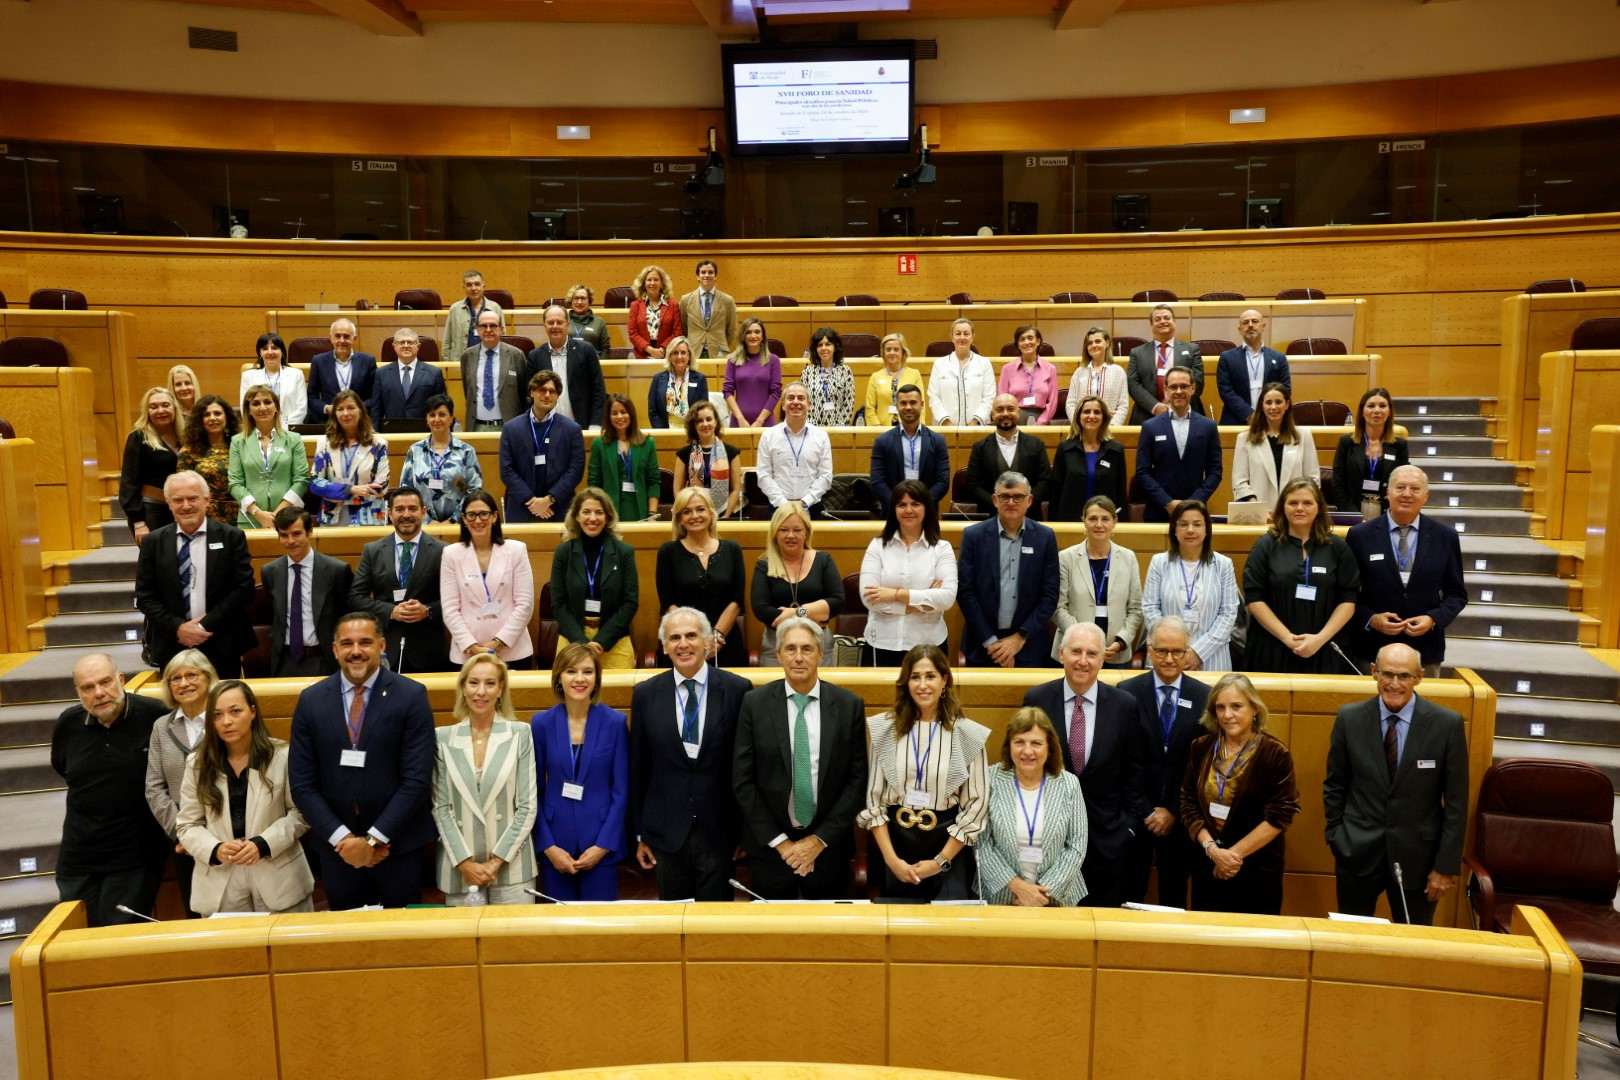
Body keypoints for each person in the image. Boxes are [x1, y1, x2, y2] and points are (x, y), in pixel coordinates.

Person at [288, 610, 437, 909]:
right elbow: (302, 784)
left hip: (398, 847)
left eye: (365, 642)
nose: (356, 651)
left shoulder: (411, 696)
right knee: (347, 945)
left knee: (404, 941)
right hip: (337, 850)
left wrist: (372, 842)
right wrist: (345, 841)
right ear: (334, 649)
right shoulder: (311, 700)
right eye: (347, 643)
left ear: (382, 646)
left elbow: (417, 781)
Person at [1323, 642, 1469, 925]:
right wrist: (1337, 836)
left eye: (1404, 676)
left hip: (1420, 861)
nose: (1394, 683)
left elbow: (1456, 803)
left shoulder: (1446, 724)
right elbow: (1335, 785)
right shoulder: (1349, 719)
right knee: (1352, 945)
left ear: (1419, 677)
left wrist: (1445, 866)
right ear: (1374, 672)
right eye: (1387, 674)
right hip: (1357, 853)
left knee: (1414, 949)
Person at [732, 617, 869, 899]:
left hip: (828, 847)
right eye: (790, 649)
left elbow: (857, 782)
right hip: (770, 849)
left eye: (807, 649)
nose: (798, 657)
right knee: (771, 940)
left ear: (821, 654)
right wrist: (783, 845)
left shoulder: (848, 706)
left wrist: (817, 842)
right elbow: (743, 782)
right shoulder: (754, 704)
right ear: (778, 654)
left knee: (828, 938)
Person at [631, 607, 754, 901]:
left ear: (708, 641)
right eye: (674, 638)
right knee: (673, 930)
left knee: (715, 929)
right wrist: (639, 833)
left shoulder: (738, 690)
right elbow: (638, 768)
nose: (683, 644)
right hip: (665, 830)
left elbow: (747, 767)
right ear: (664, 646)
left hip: (720, 831)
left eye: (691, 635)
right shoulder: (646, 694)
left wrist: (745, 831)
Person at [1023, 623, 1145, 908]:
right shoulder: (1036, 700)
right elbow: (1025, 766)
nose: (1083, 660)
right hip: (1049, 841)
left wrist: (1127, 827)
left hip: (1107, 841)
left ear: (1103, 659)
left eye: (1092, 653)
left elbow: (1134, 772)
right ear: (1061, 654)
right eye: (1075, 651)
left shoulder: (1124, 705)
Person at [859, 645, 990, 900]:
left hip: (948, 848)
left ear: (944, 680)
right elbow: (874, 802)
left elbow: (976, 806)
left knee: (949, 932)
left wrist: (939, 861)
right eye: (915, 677)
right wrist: (892, 861)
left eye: (930, 676)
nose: (923, 685)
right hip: (896, 847)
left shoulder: (968, 735)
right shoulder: (884, 730)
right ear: (906, 683)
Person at [176, 680, 315, 915]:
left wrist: (263, 843)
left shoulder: (283, 756)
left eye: (235, 711)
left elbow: (301, 813)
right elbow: (188, 825)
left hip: (278, 876)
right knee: (231, 952)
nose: (226, 721)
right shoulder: (198, 764)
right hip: (221, 880)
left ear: (252, 712)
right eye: (217, 715)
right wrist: (215, 848)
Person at [53, 654, 173, 925]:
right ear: (78, 692)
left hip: (135, 855)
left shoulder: (157, 716)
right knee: (76, 939)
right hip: (78, 856)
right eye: (87, 687)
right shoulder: (68, 724)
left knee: (115, 940)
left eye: (105, 682)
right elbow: (63, 767)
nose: (99, 693)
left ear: (120, 680)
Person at [1180, 673, 1300, 915]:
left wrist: (1231, 857)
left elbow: (1281, 814)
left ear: (1254, 709)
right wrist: (1214, 851)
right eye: (1221, 707)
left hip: (1256, 868)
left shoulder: (1275, 753)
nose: (1227, 715)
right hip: (1208, 864)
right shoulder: (1201, 747)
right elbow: (1188, 803)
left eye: (1236, 706)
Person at [431, 654, 539, 906]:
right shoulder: (442, 738)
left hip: (512, 867)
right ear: (463, 688)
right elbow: (441, 809)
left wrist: (496, 861)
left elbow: (527, 806)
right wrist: (465, 863)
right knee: (463, 945)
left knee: (514, 944)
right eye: (474, 683)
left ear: (501, 689)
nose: (481, 692)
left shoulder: (519, 734)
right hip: (459, 869)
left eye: (490, 683)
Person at [1118, 617, 1210, 908]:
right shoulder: (1126, 692)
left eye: (1177, 652)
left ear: (1187, 653)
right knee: (1130, 892)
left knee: (1175, 897)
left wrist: (1172, 809)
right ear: (1149, 650)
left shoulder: (1205, 696)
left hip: (1181, 817)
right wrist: (1146, 810)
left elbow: (1202, 765)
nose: (1169, 659)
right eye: (1162, 651)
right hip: (1136, 813)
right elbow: (1122, 761)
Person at [531, 643, 630, 901]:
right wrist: (548, 846)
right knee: (559, 933)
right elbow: (533, 791)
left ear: (596, 680)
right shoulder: (540, 724)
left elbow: (621, 791)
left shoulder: (615, 723)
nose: (579, 679)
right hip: (556, 844)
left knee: (600, 933)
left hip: (600, 844)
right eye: (571, 671)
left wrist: (603, 845)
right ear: (559, 678)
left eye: (587, 672)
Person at [1346, 465, 1467, 675]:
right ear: (1388, 492)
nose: (1407, 494)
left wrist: (1433, 619)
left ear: (1426, 496)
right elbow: (1346, 592)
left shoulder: (1445, 536)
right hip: (1372, 647)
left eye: (1415, 489)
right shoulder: (1359, 535)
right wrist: (1371, 619)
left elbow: (1456, 594)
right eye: (1400, 487)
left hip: (1424, 648)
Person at [134, 470, 255, 677]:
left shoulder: (231, 537)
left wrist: (201, 626)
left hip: (222, 643)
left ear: (207, 500)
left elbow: (243, 590)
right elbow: (145, 597)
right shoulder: (153, 542)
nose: (186, 506)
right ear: (168, 503)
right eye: (178, 500)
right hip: (173, 645)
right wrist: (178, 628)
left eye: (192, 498)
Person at [1244, 477, 1361, 675]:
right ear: (1283, 507)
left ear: (1318, 507)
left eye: (1307, 502)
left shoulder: (1337, 547)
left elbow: (1348, 599)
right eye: (1293, 503)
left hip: (1325, 648)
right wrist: (1287, 637)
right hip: (1273, 647)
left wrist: (1319, 639)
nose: (1300, 508)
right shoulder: (1266, 545)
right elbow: (1254, 598)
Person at [976, 707, 1088, 907]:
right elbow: (981, 844)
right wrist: (1019, 887)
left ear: (1049, 747)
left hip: (1057, 898)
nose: (1027, 751)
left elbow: (1077, 845)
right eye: (1019, 742)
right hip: (1002, 897)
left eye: (1036, 743)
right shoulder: (989, 779)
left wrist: (1040, 894)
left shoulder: (1069, 783)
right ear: (1009, 745)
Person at [957, 471, 1059, 668]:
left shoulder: (1045, 537)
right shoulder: (973, 536)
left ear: (1029, 500)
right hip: (982, 647)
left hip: (1029, 647)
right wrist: (991, 642)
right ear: (995, 500)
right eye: (1005, 496)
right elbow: (965, 592)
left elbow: (1049, 596)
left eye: (1018, 496)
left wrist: (1019, 638)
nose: (1011, 502)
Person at [145, 649, 220, 916]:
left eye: (191, 675)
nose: (183, 683)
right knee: (195, 909)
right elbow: (154, 788)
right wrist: (184, 834)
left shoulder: (225, 718)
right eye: (175, 678)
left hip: (227, 833)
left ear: (208, 677)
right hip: (180, 838)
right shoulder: (161, 727)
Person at [350, 486, 451, 674]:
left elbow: (456, 599)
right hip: (385, 652)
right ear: (389, 513)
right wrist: (391, 611)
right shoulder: (372, 551)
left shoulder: (443, 551)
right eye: (399, 509)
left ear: (423, 512)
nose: (406, 515)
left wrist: (428, 610)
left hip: (429, 654)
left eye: (412, 509)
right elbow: (356, 598)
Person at [860, 480, 958, 665]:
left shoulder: (942, 549)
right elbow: (868, 598)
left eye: (915, 504)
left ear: (926, 508)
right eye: (902, 505)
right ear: (893, 509)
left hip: (928, 645)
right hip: (882, 643)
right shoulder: (877, 546)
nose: (908, 510)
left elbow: (946, 598)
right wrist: (922, 603)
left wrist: (896, 594)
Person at [1141, 500, 1242, 671]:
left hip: (1212, 657)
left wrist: (1198, 652)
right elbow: (1150, 608)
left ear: (1206, 529)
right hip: (1166, 657)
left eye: (1197, 524)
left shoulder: (1223, 564)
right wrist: (1174, 648)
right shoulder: (1159, 562)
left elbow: (1228, 613)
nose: (1190, 530)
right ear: (1174, 529)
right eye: (1183, 524)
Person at [440, 488, 535, 668]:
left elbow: (525, 604)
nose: (478, 520)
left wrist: (499, 643)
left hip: (512, 651)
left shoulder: (516, 550)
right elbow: (450, 609)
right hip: (467, 653)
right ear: (464, 519)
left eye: (484, 514)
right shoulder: (451, 554)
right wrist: (471, 646)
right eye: (471, 515)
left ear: (494, 517)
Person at [657, 487, 747, 668]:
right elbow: (668, 602)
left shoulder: (732, 549)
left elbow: (737, 600)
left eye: (700, 509)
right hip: (683, 643)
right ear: (680, 519)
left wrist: (716, 637)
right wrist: (693, 638)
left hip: (725, 641)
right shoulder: (668, 551)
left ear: (711, 513)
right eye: (687, 512)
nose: (694, 516)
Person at [551, 487, 640, 669]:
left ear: (607, 517)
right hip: (572, 639)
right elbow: (558, 603)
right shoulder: (563, 552)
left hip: (614, 641)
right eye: (586, 512)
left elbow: (630, 602)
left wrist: (602, 640)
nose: (593, 518)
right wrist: (580, 642)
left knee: (617, 697)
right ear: (577, 516)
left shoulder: (624, 552)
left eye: (599, 512)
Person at [262, 507, 355, 677]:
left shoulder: (337, 571)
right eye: (284, 535)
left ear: (310, 532)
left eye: (296, 534)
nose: (290, 541)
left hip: (325, 659)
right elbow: (274, 615)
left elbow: (348, 615)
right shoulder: (270, 572)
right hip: (285, 660)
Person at [1053, 496, 1143, 668]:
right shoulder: (1066, 558)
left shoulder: (1128, 557)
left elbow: (1136, 608)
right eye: (1093, 519)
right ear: (1084, 522)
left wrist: (1122, 641)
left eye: (1105, 519)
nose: (1099, 524)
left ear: (1114, 522)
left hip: (1115, 651)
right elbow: (1058, 607)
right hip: (1075, 652)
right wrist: (1082, 640)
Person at [751, 501, 843, 665]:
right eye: (784, 530)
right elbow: (761, 610)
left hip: (817, 645)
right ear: (775, 533)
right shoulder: (764, 564)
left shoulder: (823, 560)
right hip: (776, 645)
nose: (791, 535)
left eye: (797, 530)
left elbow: (837, 602)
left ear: (806, 532)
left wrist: (794, 613)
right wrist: (813, 613)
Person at [1134, 365, 1222, 523]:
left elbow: (1215, 471)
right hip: (1158, 511)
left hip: (1196, 512)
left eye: (1184, 386)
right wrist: (1167, 502)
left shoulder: (1208, 426)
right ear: (1166, 390)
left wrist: (1194, 502)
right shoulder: (1150, 427)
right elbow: (1143, 472)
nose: (1179, 391)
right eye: (1174, 387)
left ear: (1193, 389)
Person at [499, 369, 584, 523]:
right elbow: (506, 471)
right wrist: (532, 501)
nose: (547, 395)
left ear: (557, 396)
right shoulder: (511, 429)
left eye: (552, 391)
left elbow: (576, 470)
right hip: (521, 508)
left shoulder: (572, 429)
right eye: (542, 390)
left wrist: (548, 500)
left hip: (559, 509)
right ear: (532, 392)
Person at [227, 382, 309, 529]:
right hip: (251, 519)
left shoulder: (293, 439)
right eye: (256, 403)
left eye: (267, 402)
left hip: (289, 518)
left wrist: (278, 514)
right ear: (249, 411)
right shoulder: (237, 442)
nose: (262, 408)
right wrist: (257, 513)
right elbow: (235, 483)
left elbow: (301, 480)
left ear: (276, 407)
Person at [1232, 381, 1321, 511]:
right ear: (1262, 406)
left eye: (1278, 402)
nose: (1273, 407)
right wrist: (1258, 508)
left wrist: (1300, 506)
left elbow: (1313, 480)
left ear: (1287, 405)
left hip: (1295, 513)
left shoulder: (1304, 436)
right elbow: (1240, 483)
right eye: (1268, 402)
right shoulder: (1244, 439)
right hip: (1260, 515)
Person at [308, 389, 390, 525]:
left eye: (351, 408)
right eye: (340, 409)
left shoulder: (378, 444)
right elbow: (315, 483)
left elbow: (382, 486)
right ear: (334, 414)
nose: (345, 413)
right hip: (331, 516)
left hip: (369, 516)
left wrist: (333, 492)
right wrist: (350, 490)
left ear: (361, 411)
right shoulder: (324, 443)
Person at [399, 393, 483, 521]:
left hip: (459, 526)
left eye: (442, 414)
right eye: (432, 415)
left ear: (451, 418)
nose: (436, 419)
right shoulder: (415, 451)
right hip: (420, 525)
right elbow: (405, 490)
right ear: (427, 419)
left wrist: (454, 520)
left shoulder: (466, 452)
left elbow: (475, 491)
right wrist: (426, 521)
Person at [965, 393, 1052, 516]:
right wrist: (998, 504)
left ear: (1018, 412)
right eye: (1000, 410)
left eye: (1010, 409)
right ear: (992, 414)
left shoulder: (1036, 445)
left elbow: (1045, 481)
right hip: (991, 517)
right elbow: (972, 485)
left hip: (1029, 517)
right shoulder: (980, 448)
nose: (1005, 413)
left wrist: (1024, 503)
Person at [1331, 387, 1411, 519]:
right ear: (1362, 412)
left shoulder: (1400, 445)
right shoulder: (1347, 442)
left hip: (1387, 514)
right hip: (1353, 511)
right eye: (1371, 406)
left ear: (1389, 411)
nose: (1377, 410)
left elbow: (1402, 484)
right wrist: (1354, 516)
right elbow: (1338, 485)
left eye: (1382, 406)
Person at [755, 383, 833, 517]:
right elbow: (764, 476)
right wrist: (783, 504)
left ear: (809, 404)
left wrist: (804, 502)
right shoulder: (768, 436)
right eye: (790, 398)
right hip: (777, 508)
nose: (795, 402)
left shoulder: (821, 436)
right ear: (783, 404)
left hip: (811, 507)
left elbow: (825, 476)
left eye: (801, 398)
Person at [119, 386, 184, 544]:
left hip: (183, 509)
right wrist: (138, 522)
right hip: (152, 511)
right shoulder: (139, 437)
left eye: (165, 405)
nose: (160, 410)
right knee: (159, 563)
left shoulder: (185, 436)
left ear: (174, 407)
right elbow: (128, 481)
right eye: (153, 407)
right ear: (147, 412)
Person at [870, 383, 951, 507]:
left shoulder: (937, 441)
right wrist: (899, 505)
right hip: (892, 514)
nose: (908, 407)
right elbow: (877, 481)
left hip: (927, 513)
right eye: (903, 403)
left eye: (913, 402)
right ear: (896, 406)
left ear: (922, 405)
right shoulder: (882, 441)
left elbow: (943, 481)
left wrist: (922, 505)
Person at [527, 304, 606, 429]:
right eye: (550, 322)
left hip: (581, 426)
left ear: (567, 324)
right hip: (547, 427)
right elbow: (530, 395)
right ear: (544, 326)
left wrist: (595, 424)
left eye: (559, 322)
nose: (555, 326)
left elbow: (598, 390)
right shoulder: (535, 356)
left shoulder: (586, 350)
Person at [1049, 394, 1127, 521]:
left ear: (1104, 417)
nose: (1091, 416)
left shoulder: (1116, 450)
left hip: (1103, 523)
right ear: (1078, 417)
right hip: (1070, 520)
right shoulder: (1065, 448)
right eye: (1086, 412)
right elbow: (1055, 492)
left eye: (1097, 412)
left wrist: (1122, 525)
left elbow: (1121, 494)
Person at [588, 393, 660, 522]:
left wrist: (652, 515)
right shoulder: (599, 444)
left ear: (631, 414)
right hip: (609, 511)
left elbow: (653, 481)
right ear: (608, 417)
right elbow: (594, 483)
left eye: (623, 412)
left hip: (640, 509)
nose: (619, 416)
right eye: (614, 413)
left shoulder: (647, 443)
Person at [1127, 304, 1204, 423]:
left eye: (1167, 318)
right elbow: (1133, 384)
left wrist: (1177, 406)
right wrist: (1155, 406)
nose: (1163, 322)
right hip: (1147, 413)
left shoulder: (1192, 349)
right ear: (1151, 325)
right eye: (1157, 319)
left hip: (1185, 413)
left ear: (1174, 321)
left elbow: (1197, 382)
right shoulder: (1137, 352)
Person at [1216, 309, 1291, 426]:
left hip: (1271, 419)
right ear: (1240, 330)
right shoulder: (1227, 357)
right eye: (1245, 322)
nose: (1250, 325)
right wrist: (1249, 414)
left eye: (1255, 321)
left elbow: (1285, 389)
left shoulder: (1279, 357)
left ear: (1263, 326)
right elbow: (1225, 390)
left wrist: (1265, 413)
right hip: (1236, 420)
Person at [673, 400, 742, 519]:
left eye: (709, 419)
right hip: (694, 515)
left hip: (724, 512)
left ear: (716, 422)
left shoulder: (731, 453)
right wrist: (690, 512)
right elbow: (678, 491)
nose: (705, 424)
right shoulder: (684, 454)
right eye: (699, 421)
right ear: (693, 426)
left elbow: (736, 489)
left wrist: (726, 516)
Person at [461, 309, 528, 431]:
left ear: (501, 329)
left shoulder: (516, 355)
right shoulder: (467, 356)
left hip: (510, 426)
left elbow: (524, 393)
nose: (488, 330)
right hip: (476, 426)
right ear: (477, 329)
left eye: (493, 326)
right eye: (483, 326)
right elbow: (468, 391)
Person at [178, 394, 240, 526]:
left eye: (217, 413)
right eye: (207, 415)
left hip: (240, 515)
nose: (212, 418)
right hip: (203, 518)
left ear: (226, 417)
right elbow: (183, 488)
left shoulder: (239, 446)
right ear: (200, 420)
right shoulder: (189, 451)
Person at [368, 327, 447, 425]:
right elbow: (376, 410)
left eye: (410, 342)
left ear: (418, 346)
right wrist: (376, 437)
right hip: (391, 433)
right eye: (401, 342)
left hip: (425, 433)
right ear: (394, 346)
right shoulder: (381, 374)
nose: (406, 346)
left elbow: (441, 408)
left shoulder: (434, 373)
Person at [927, 317, 995, 427]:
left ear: (972, 337)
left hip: (978, 428)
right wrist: (947, 424)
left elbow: (989, 397)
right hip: (945, 429)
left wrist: (974, 423)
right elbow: (934, 398)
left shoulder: (984, 363)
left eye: (966, 334)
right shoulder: (939, 364)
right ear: (952, 337)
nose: (962, 337)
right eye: (958, 333)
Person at [305, 317, 377, 420]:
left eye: (346, 336)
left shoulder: (368, 361)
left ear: (354, 338)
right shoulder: (318, 361)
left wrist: (356, 409)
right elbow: (312, 396)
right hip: (329, 422)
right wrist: (326, 408)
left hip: (360, 421)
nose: (342, 340)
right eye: (337, 336)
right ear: (331, 338)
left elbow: (374, 396)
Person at [722, 316, 783, 428]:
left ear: (763, 336)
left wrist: (760, 421)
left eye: (757, 332)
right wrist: (740, 418)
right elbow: (727, 392)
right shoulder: (733, 360)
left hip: (765, 422)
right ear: (743, 336)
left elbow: (776, 393)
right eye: (748, 332)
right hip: (738, 423)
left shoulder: (773, 360)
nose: (753, 336)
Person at [1065, 326, 1129, 427]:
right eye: (1090, 343)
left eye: (1098, 341)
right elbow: (1070, 403)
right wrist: (1078, 424)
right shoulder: (1079, 372)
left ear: (1107, 343)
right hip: (1082, 429)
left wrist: (1113, 425)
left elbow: (1123, 405)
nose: (1094, 345)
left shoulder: (1118, 372)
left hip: (1109, 427)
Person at [239, 333, 307, 427]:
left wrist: (283, 428)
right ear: (260, 353)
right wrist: (263, 428)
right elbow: (245, 408)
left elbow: (301, 408)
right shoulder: (248, 376)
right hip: (259, 430)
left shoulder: (296, 375)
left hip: (289, 430)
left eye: (274, 348)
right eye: (265, 348)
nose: (270, 352)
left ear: (282, 352)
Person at [998, 324, 1061, 425]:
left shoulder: (1050, 369)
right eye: (1022, 339)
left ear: (1038, 341)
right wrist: (1012, 420)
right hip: (1014, 420)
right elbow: (1002, 400)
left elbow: (1053, 402)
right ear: (1018, 344)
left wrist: (1040, 423)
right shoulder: (1007, 369)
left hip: (1042, 419)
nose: (1027, 342)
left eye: (1030, 338)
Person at [678, 258, 738, 360]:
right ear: (698, 276)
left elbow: (731, 329)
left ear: (715, 276)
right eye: (703, 272)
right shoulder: (686, 300)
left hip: (719, 352)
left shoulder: (727, 300)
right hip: (693, 351)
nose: (707, 275)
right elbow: (683, 327)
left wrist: (721, 344)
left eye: (710, 272)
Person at [441, 268, 502, 367]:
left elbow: (502, 337)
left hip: (489, 361)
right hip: (461, 362)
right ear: (464, 287)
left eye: (477, 284)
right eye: (469, 285)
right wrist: (448, 365)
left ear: (483, 286)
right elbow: (447, 340)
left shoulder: (495, 307)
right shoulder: (455, 309)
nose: (473, 288)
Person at [864, 332, 927, 428]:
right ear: (883, 353)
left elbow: (921, 405)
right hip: (882, 431)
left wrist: (919, 428)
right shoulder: (875, 377)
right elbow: (870, 408)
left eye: (896, 349)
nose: (892, 353)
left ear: (903, 352)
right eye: (888, 349)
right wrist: (878, 428)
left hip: (909, 429)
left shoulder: (914, 374)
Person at [647, 336, 709, 430]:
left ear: (689, 356)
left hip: (693, 431)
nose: (679, 356)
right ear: (670, 356)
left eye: (683, 352)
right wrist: (663, 432)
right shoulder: (658, 379)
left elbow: (703, 409)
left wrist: (694, 432)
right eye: (675, 353)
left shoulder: (700, 379)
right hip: (665, 431)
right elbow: (653, 411)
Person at [802, 326, 857, 426]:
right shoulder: (807, 372)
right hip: (813, 431)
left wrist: (838, 429)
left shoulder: (845, 371)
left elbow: (848, 404)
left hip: (838, 431)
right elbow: (804, 403)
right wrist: (813, 429)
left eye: (828, 344)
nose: (824, 348)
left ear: (835, 347)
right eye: (820, 345)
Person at [628, 265, 683, 360]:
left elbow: (677, 332)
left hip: (667, 355)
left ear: (662, 283)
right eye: (649, 280)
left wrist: (663, 349)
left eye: (656, 280)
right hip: (642, 355)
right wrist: (650, 350)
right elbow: (633, 333)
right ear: (644, 283)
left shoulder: (673, 305)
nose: (652, 283)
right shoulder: (635, 306)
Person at [565, 283, 611, 355]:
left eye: (583, 298)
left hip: (593, 364)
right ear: (571, 301)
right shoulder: (563, 321)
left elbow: (606, 349)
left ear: (589, 301)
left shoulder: (599, 322)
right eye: (576, 298)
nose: (579, 302)